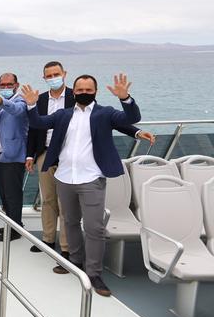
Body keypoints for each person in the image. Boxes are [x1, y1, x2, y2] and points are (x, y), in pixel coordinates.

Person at [21, 74, 141, 297]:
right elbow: (38, 122)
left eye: (88, 89)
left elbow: (131, 118)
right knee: (70, 222)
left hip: (91, 179)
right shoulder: (63, 114)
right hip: (65, 178)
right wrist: (30, 104)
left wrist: (125, 98)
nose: (84, 93)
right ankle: (75, 263)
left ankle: (94, 272)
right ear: (73, 92)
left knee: (94, 228)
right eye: (80, 90)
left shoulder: (105, 113)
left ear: (95, 91)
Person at [26, 61, 156, 256]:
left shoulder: (78, 95)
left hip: (76, 158)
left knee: (67, 207)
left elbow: (107, 119)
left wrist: (136, 132)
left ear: (64, 74)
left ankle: (67, 248)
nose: (53, 78)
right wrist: (30, 154)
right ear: (44, 78)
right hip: (46, 153)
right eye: (49, 75)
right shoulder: (40, 99)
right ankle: (47, 238)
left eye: (56, 74)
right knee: (48, 200)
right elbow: (35, 126)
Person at [0, 72, 29, 242]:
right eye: (2, 85)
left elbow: (16, 111)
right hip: (3, 156)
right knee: (5, 193)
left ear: (16, 85)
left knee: (12, 194)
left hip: (14, 156)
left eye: (9, 85)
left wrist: (0, 100)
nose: (5, 88)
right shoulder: (2, 108)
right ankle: (11, 223)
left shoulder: (20, 101)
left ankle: (15, 229)